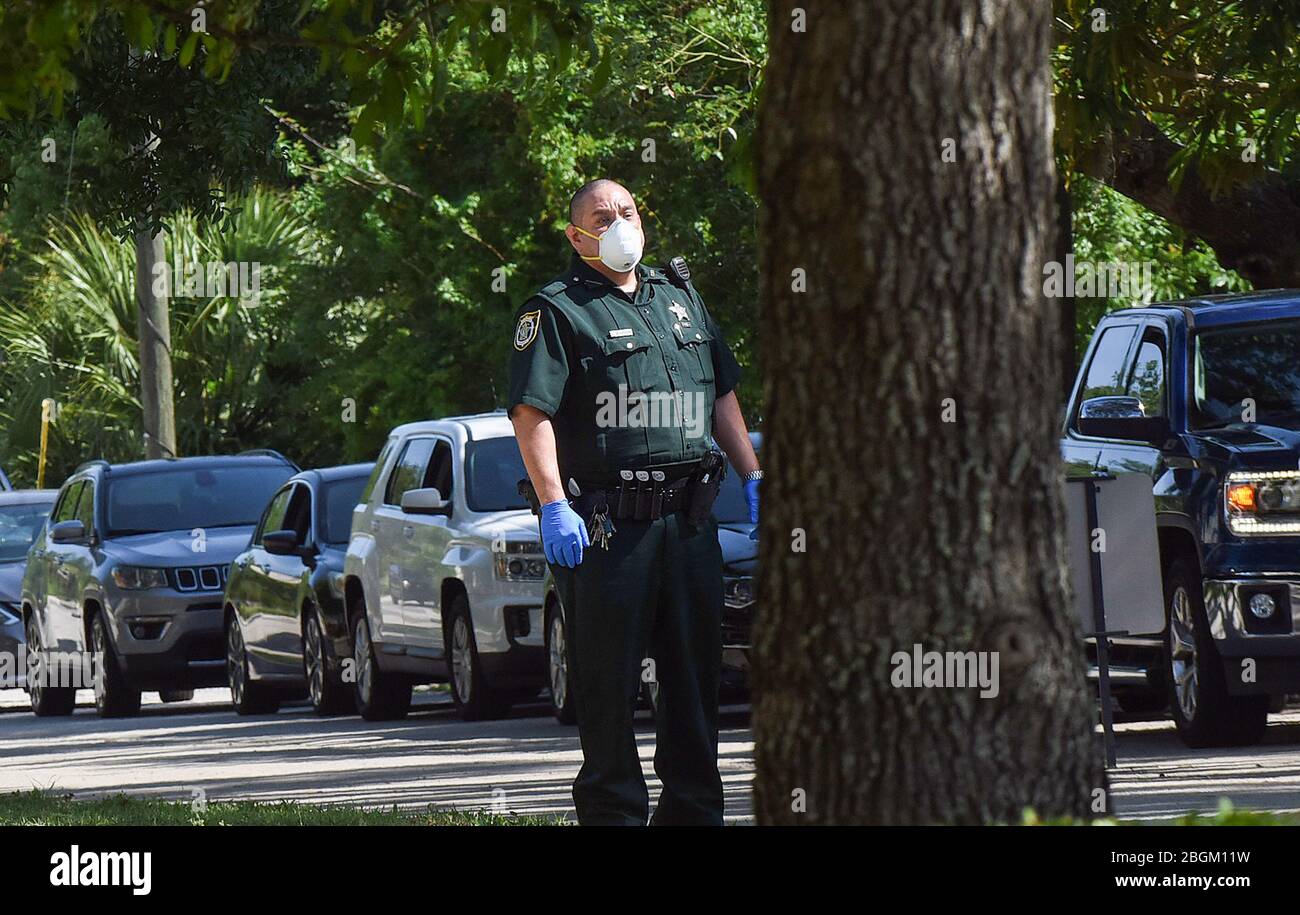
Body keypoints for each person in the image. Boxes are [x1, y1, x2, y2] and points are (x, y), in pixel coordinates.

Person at [508, 178, 761, 825]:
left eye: (627, 211)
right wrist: (551, 503)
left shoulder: (679, 295)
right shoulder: (559, 309)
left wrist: (752, 474)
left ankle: (694, 812)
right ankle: (614, 814)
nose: (619, 222)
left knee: (693, 688)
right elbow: (530, 410)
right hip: (606, 529)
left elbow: (722, 388)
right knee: (607, 689)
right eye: (602, 215)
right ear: (576, 235)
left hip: (689, 523)